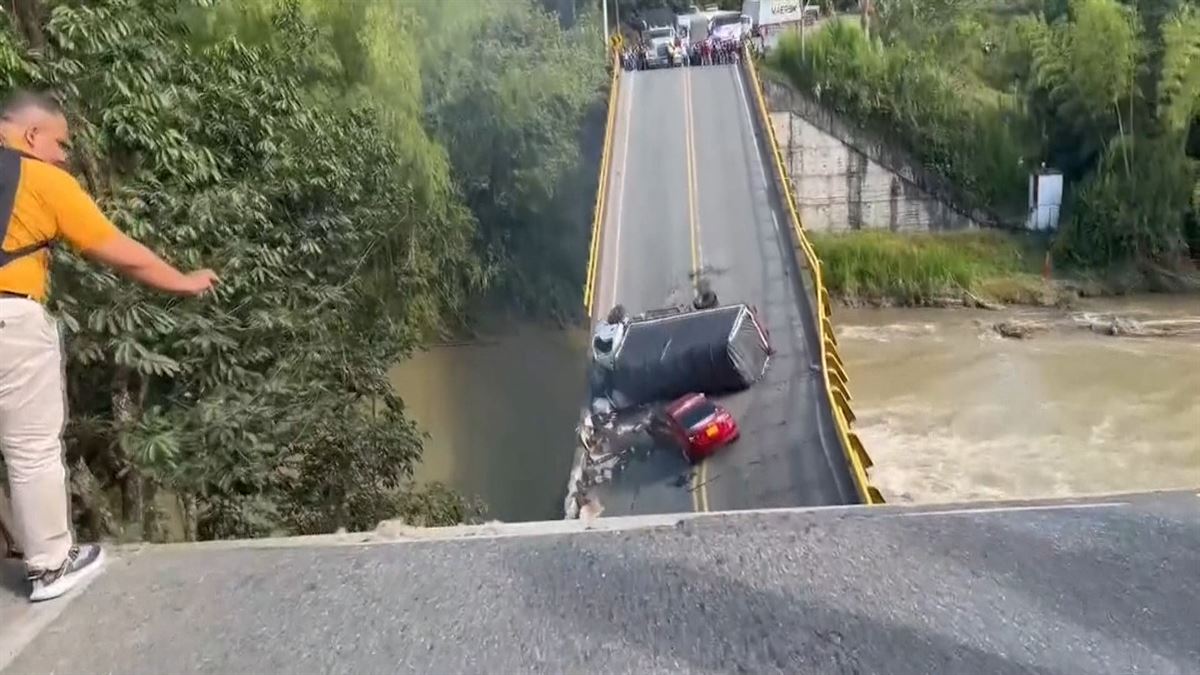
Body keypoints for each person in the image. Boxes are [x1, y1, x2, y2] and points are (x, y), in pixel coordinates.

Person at [0, 90, 218, 602]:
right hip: (9, 317)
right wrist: (184, 281)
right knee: (30, 448)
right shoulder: (40, 178)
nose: (62, 155)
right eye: (60, 144)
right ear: (32, 135)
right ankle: (51, 567)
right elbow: (118, 249)